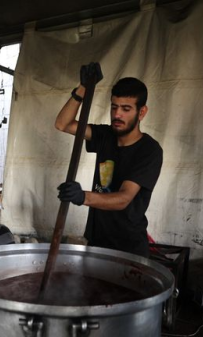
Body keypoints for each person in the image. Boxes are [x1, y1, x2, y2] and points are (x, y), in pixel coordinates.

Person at [54, 63, 163, 258]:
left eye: (126, 109)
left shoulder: (149, 150)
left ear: (142, 112)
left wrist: (82, 197)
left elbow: (123, 199)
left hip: (129, 248)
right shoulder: (106, 135)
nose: (117, 114)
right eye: (114, 107)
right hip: (96, 241)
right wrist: (83, 88)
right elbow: (63, 124)